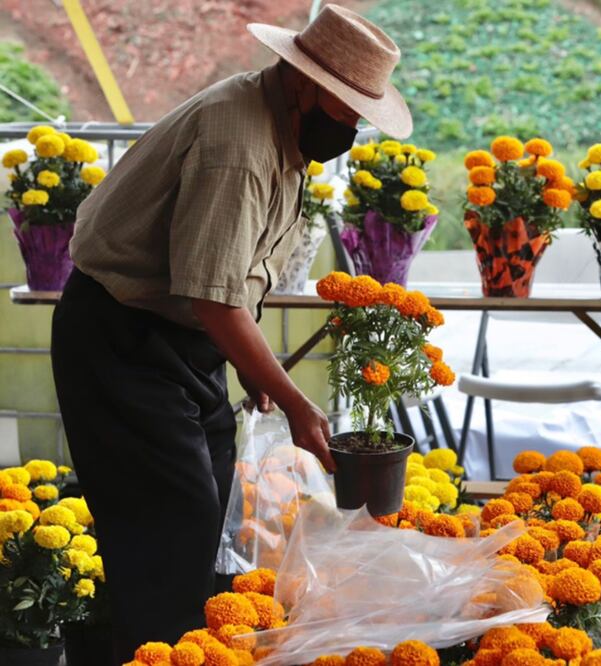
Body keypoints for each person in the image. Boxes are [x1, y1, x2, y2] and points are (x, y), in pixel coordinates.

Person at [49, 5, 411, 662]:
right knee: (170, 529)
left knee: (204, 514)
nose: (352, 126)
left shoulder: (281, 126)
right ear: (306, 82)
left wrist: (245, 362)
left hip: (181, 339)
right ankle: (158, 655)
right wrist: (296, 403)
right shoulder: (238, 145)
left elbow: (224, 281)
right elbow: (213, 297)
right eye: (347, 108)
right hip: (122, 339)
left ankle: (177, 649)